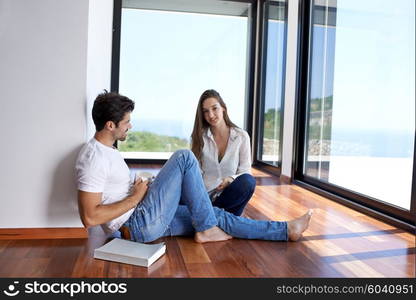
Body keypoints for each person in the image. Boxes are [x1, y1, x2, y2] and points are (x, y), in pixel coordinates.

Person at [75, 91, 313, 244]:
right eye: (126, 122)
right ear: (110, 125)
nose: (130, 126)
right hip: (137, 223)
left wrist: (144, 188)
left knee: (216, 215)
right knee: (184, 158)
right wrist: (136, 198)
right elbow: (90, 217)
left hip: (145, 216)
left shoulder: (109, 150)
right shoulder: (93, 157)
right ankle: (207, 228)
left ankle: (286, 230)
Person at [191, 89, 255, 216]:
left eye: (215, 108)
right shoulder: (199, 138)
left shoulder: (241, 137)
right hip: (206, 198)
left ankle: (210, 218)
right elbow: (195, 173)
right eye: (206, 111)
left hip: (229, 196)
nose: (211, 115)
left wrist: (231, 179)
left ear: (223, 108)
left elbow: (246, 171)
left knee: (248, 181)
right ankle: (223, 219)